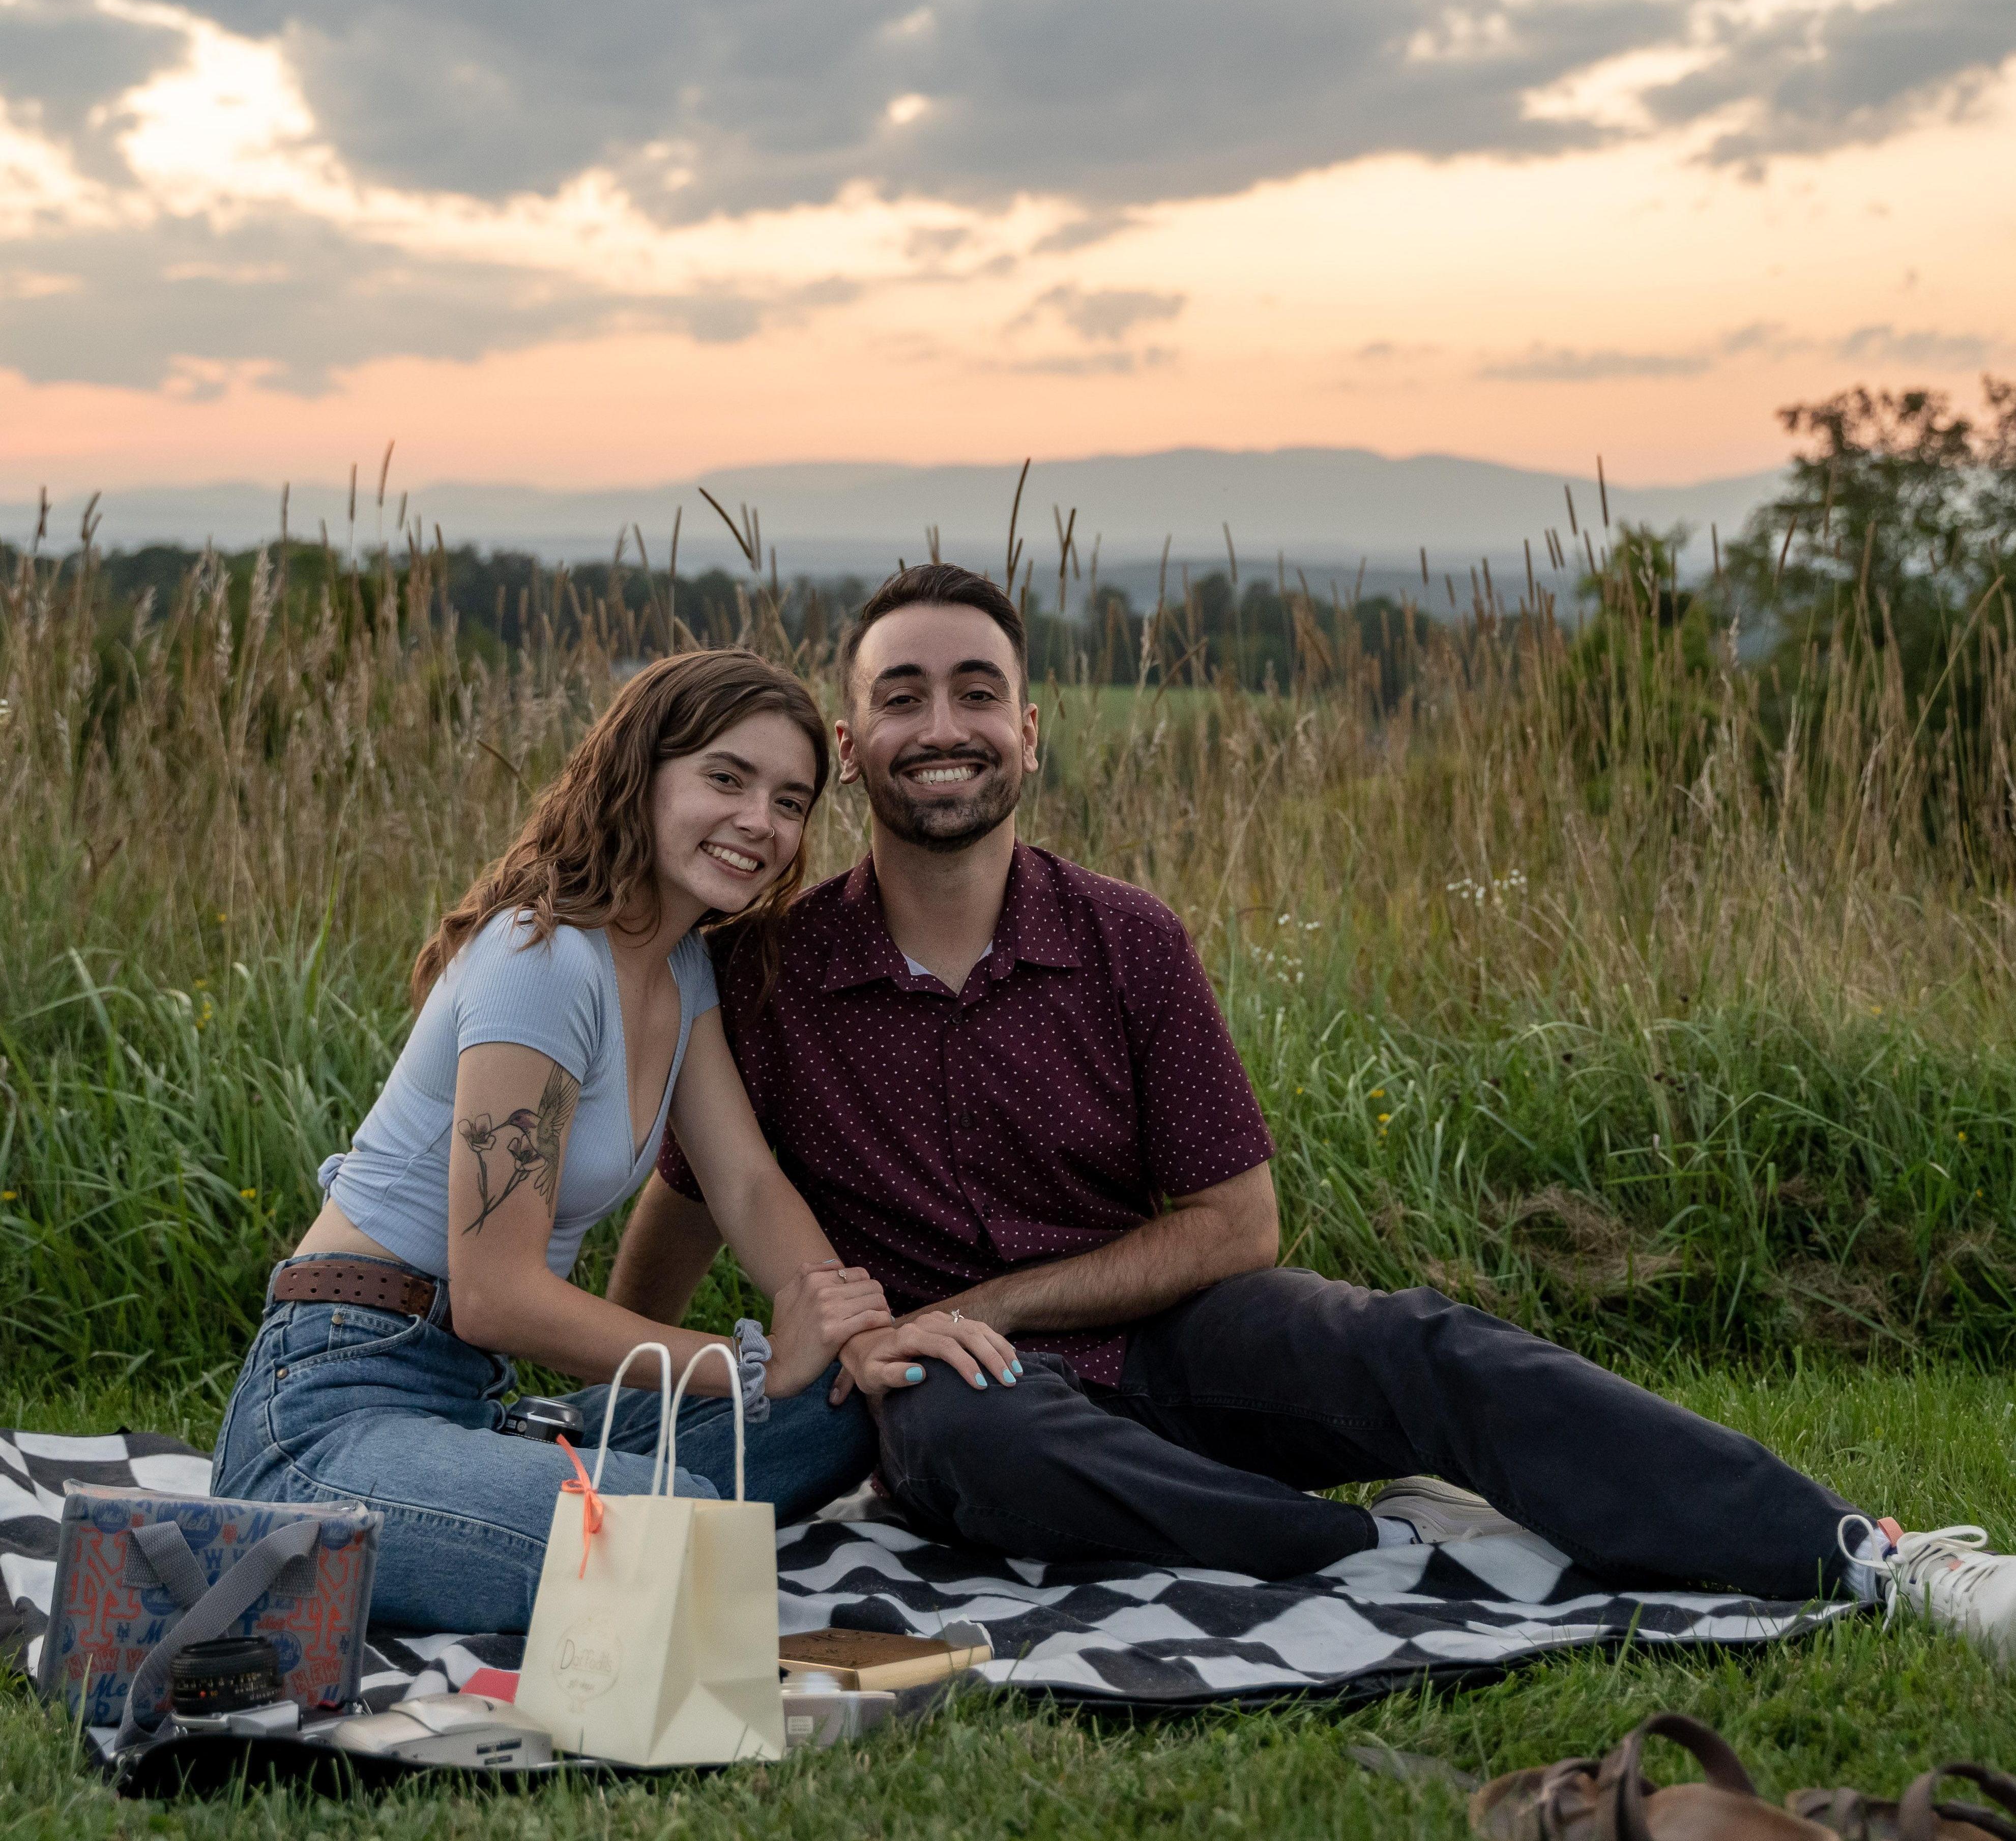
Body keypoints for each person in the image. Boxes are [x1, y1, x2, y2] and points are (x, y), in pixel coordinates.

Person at [611, 565, 2016, 1660]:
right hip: (970, 1402)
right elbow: (695, 1188)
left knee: (1408, 1338)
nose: (943, 726)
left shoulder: (1125, 941)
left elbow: (1238, 1219)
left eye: (975, 690)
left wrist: (994, 1295)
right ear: (849, 748)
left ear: (1027, 733)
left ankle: (1867, 1554)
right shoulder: (769, 971)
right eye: (902, 696)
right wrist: (631, 1392)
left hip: (1165, 1338)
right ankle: (1387, 1554)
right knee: (986, 1439)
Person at [213, 649, 1018, 1636]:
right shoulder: (541, 957)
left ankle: (525, 1468)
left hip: (464, 1401)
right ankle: (469, 1502)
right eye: (724, 778)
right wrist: (749, 1363)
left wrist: (859, 1334)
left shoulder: (677, 968)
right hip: (327, 1410)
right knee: (671, 1542)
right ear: (640, 774)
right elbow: (495, 1294)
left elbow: (747, 1182)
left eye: (789, 800)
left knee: (847, 1404)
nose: (758, 822)